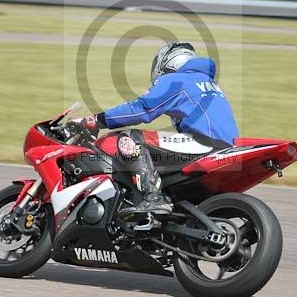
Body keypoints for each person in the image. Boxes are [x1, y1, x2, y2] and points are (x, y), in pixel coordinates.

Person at [76, 42, 239, 218]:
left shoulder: (177, 80)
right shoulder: (208, 83)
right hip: (226, 148)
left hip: (204, 144)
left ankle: (153, 197)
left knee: (128, 137)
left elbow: (142, 109)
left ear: (167, 62)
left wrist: (97, 120)